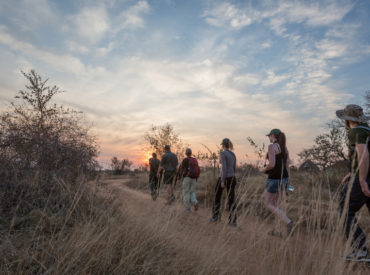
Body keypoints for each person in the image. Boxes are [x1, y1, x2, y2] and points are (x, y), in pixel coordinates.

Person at [336, 104, 370, 261]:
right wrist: (351, 172)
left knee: (345, 209)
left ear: (348, 119)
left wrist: (361, 179)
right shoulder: (367, 130)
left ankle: (361, 249)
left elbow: (363, 154)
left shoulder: (355, 131)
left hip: (364, 177)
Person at [261, 129, 293, 235]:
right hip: (285, 179)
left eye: (269, 136)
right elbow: (287, 166)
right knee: (277, 206)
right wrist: (289, 183)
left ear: (273, 135)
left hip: (274, 179)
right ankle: (277, 230)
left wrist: (263, 169)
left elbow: (272, 164)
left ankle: (288, 222)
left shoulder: (272, 147)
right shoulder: (285, 148)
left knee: (268, 203)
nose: (269, 138)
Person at [210, 138, 237, 226]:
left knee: (217, 196)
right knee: (231, 199)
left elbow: (224, 168)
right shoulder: (233, 154)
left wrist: (222, 180)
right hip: (232, 177)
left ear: (223, 145)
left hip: (224, 177)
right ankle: (233, 221)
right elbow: (234, 168)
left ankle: (216, 216)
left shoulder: (223, 153)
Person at [178, 148, 199, 212]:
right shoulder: (194, 160)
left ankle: (187, 208)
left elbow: (181, 169)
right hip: (194, 179)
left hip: (187, 178)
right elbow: (197, 170)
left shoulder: (185, 160)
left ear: (186, 153)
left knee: (186, 193)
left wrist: (179, 178)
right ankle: (195, 202)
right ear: (191, 153)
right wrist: (196, 179)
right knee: (192, 192)